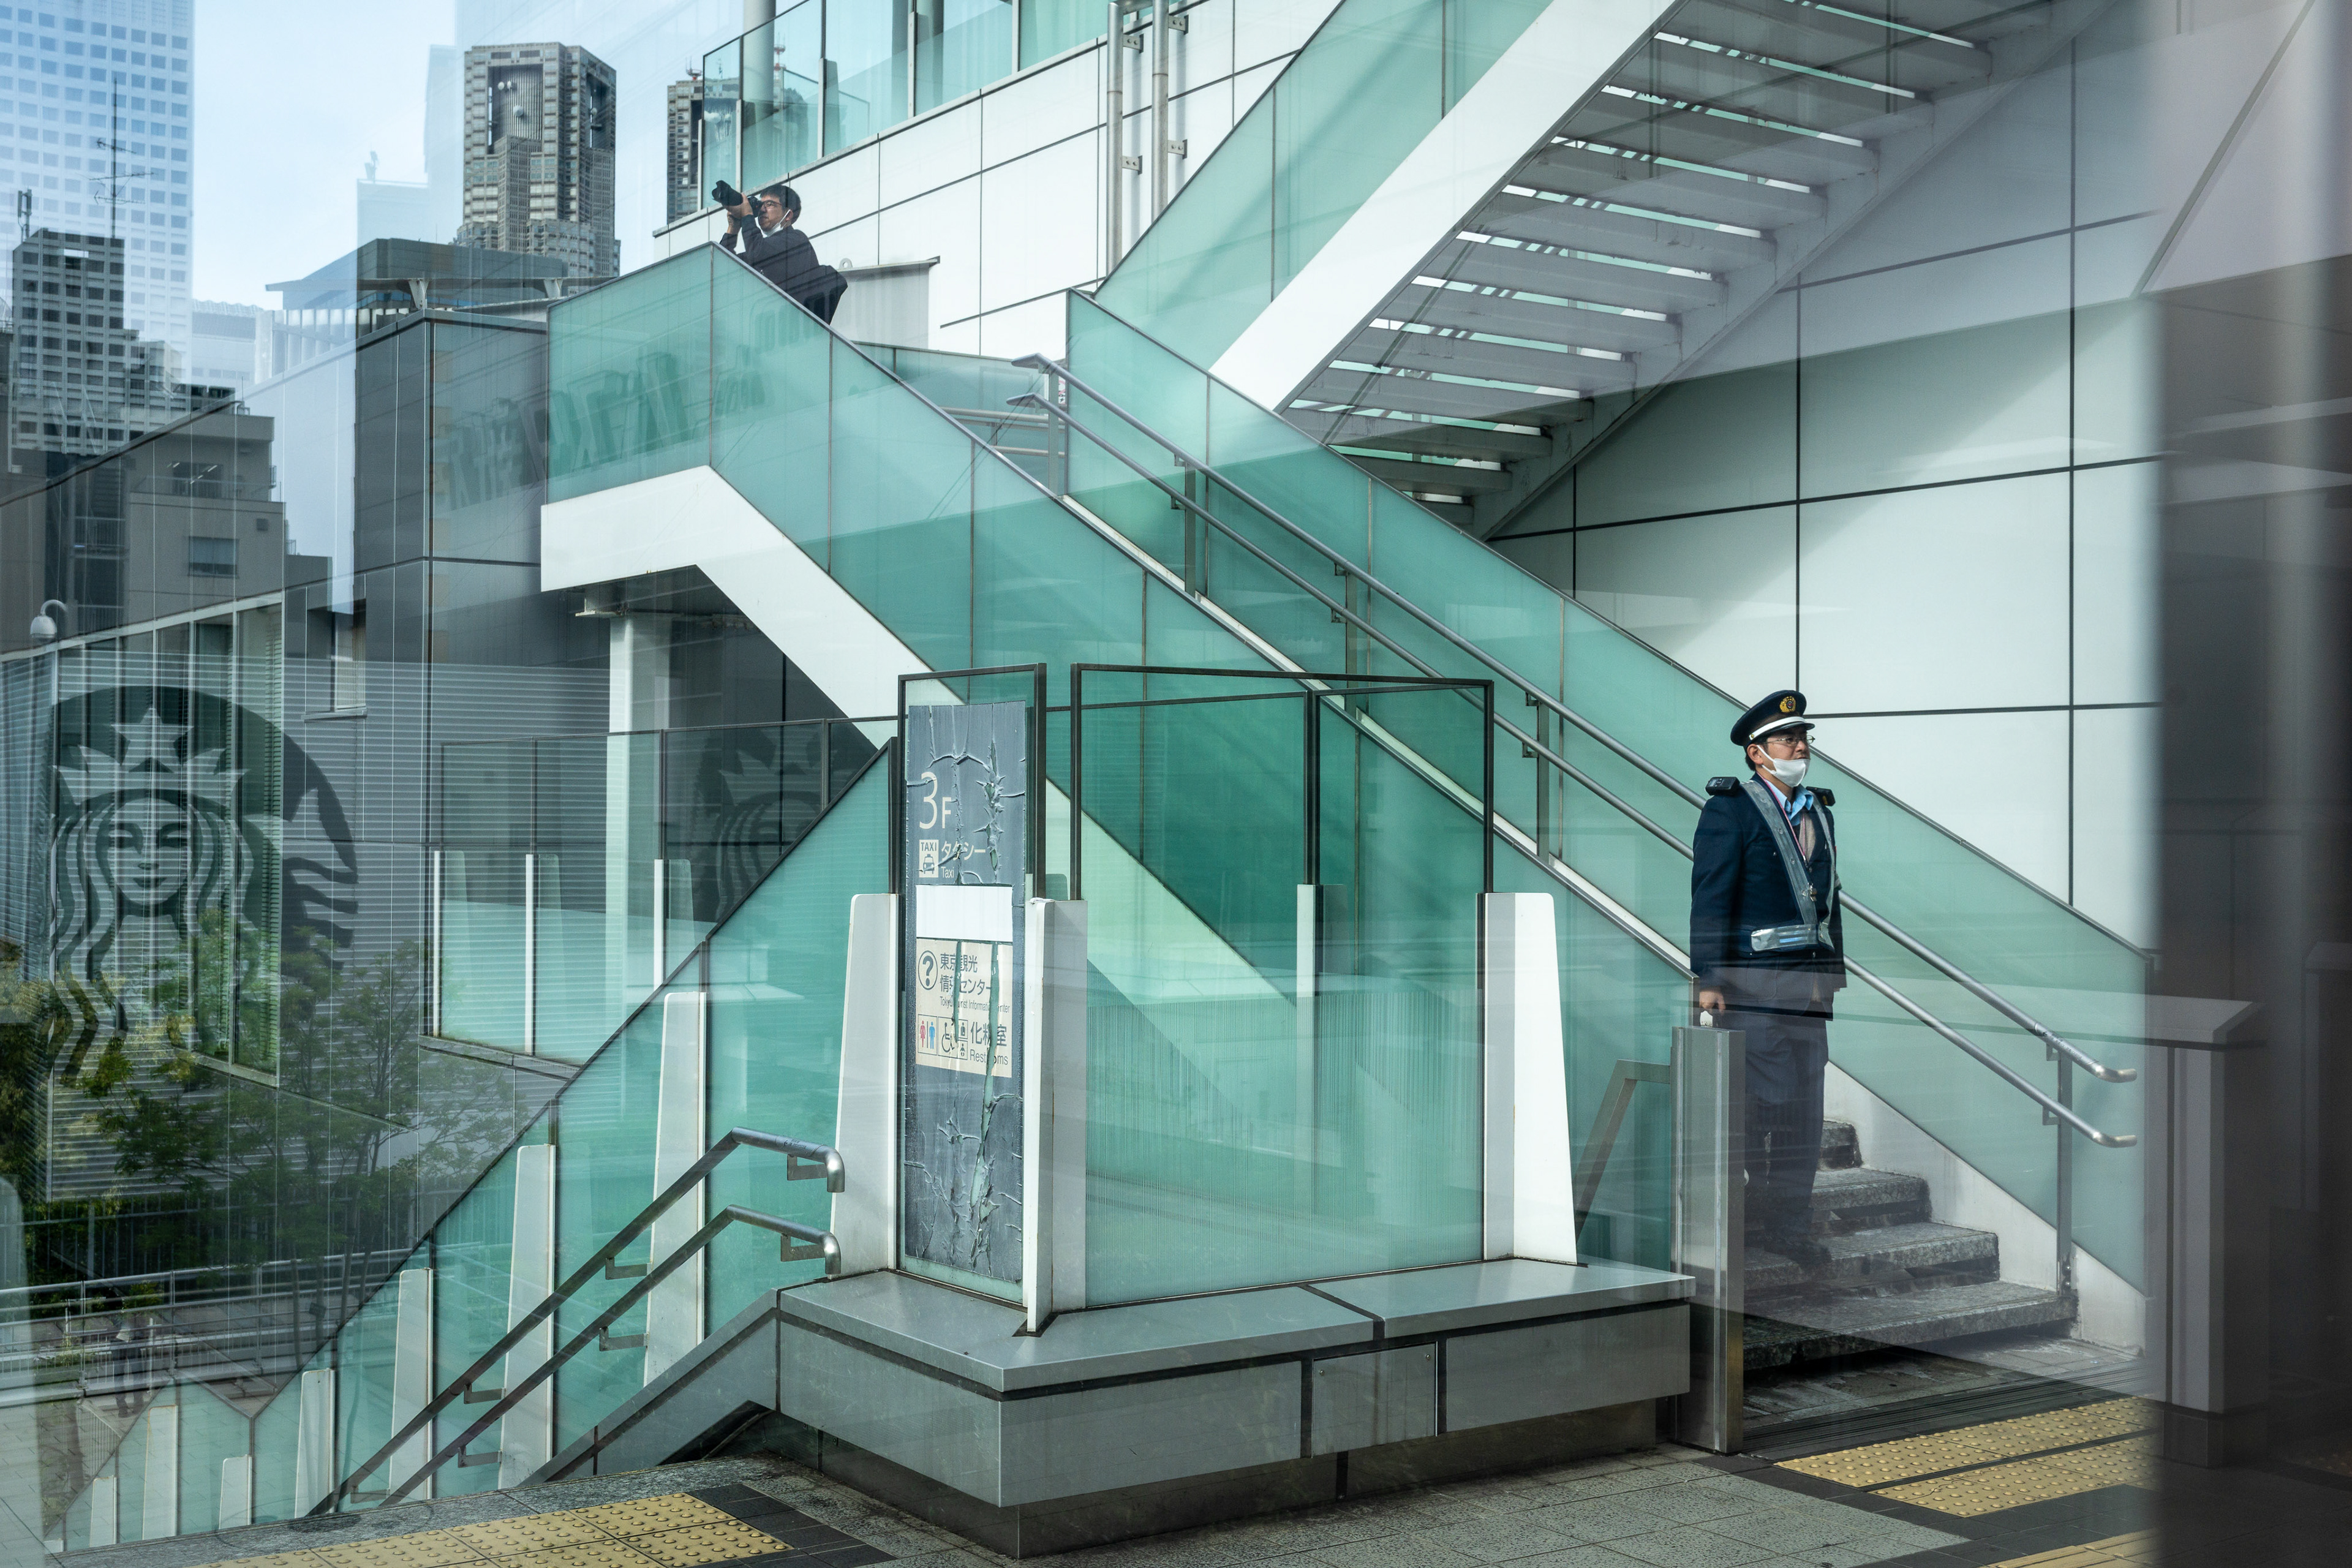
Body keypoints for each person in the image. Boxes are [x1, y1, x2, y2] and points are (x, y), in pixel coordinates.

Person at [1690, 688, 1845, 1272]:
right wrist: (1707, 975)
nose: (1799, 747)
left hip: (1809, 989)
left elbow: (1827, 904)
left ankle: (1788, 1228)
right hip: (1752, 988)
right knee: (1760, 1106)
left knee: (1804, 1113)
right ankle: (1744, 1215)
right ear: (1757, 753)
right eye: (1787, 739)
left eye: (1803, 739)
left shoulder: (1819, 810)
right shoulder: (1730, 810)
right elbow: (1711, 897)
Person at [720, 182, 846, 323]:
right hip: (769, 329)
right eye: (760, 205)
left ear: (788, 215)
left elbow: (757, 252)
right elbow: (722, 266)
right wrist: (733, 227)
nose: (762, 210)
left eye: (769, 204)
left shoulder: (796, 240)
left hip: (792, 331)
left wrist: (747, 215)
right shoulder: (763, 249)